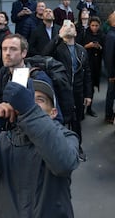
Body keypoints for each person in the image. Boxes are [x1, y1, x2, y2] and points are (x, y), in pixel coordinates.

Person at [0, 76, 80, 218]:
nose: (31, 104)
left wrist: (30, 109)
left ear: (53, 113)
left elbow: (64, 164)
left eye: (39, 100)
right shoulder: (5, 141)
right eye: (28, 99)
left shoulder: (66, 136)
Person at [42, 20, 92, 162]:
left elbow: (87, 72)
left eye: (71, 26)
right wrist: (58, 37)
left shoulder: (81, 50)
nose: (68, 27)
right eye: (65, 25)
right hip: (59, 90)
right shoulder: (57, 48)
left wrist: (88, 94)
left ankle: (77, 147)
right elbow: (44, 54)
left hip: (77, 90)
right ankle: (58, 148)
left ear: (75, 32)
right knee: (59, 119)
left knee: (76, 120)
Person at [79, 16, 104, 117]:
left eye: (96, 26)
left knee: (91, 86)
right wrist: (87, 46)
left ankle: (89, 108)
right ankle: (81, 109)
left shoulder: (101, 35)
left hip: (96, 64)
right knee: (83, 86)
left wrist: (99, 47)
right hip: (85, 62)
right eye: (93, 25)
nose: (94, 28)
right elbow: (79, 46)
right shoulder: (84, 34)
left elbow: (104, 47)